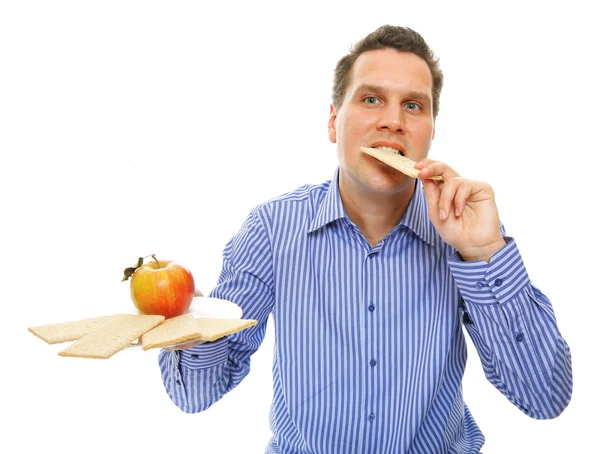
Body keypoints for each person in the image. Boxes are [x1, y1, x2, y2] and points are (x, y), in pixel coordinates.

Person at [158, 25, 572, 453]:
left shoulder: (464, 231)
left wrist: (485, 254)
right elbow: (195, 395)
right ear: (335, 122)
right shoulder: (271, 228)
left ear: (430, 132)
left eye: (413, 105)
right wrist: (189, 321)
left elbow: (545, 399)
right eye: (371, 99)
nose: (393, 121)